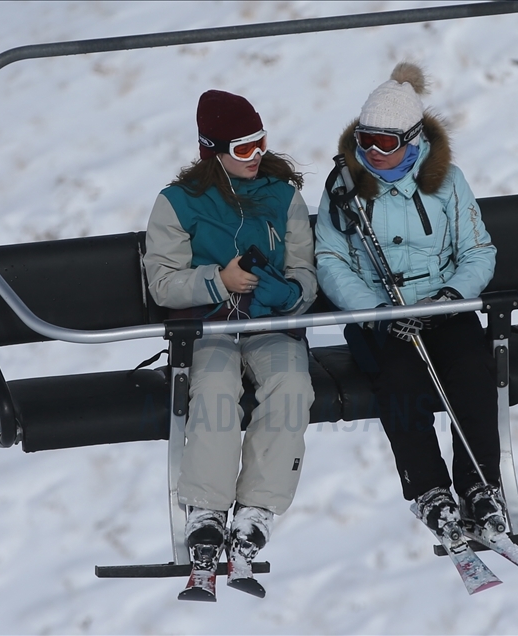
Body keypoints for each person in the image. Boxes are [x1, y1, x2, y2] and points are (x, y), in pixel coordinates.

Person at [314, 63, 504, 542]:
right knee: (398, 378)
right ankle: (429, 491)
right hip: (381, 316)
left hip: (441, 308)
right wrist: (374, 310)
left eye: (386, 142)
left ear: (413, 138)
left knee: (472, 367)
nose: (372, 152)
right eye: (365, 138)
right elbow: (331, 258)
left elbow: (478, 250)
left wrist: (451, 296)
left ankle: (480, 486)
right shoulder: (345, 189)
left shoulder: (448, 181)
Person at [144, 89, 316, 598]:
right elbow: (163, 282)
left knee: (292, 386)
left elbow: (305, 272)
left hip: (270, 326)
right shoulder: (177, 204)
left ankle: (258, 509)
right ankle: (207, 510)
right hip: (211, 326)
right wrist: (218, 281)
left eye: (259, 142)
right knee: (215, 389)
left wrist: (285, 293)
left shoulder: (284, 196)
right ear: (212, 150)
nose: (256, 154)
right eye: (242, 149)